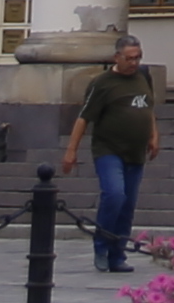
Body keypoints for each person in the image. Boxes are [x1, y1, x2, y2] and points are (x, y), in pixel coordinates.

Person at [59, 37, 155, 277]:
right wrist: (71, 151)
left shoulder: (144, 77)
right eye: (129, 58)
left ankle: (117, 254)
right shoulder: (102, 83)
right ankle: (101, 247)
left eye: (137, 57)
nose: (134, 63)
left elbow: (148, 108)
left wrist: (154, 135)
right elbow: (84, 117)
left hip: (136, 152)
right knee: (114, 195)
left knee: (127, 205)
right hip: (108, 151)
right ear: (117, 57)